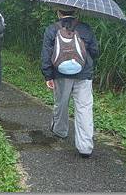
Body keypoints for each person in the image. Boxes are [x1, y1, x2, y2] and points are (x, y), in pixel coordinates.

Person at [40, 8, 100, 158]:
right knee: (84, 108)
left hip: (60, 74)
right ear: (76, 12)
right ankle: (85, 147)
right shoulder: (85, 28)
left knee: (61, 103)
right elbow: (95, 51)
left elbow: (46, 54)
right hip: (84, 74)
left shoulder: (52, 29)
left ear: (58, 12)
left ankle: (60, 131)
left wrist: (48, 76)